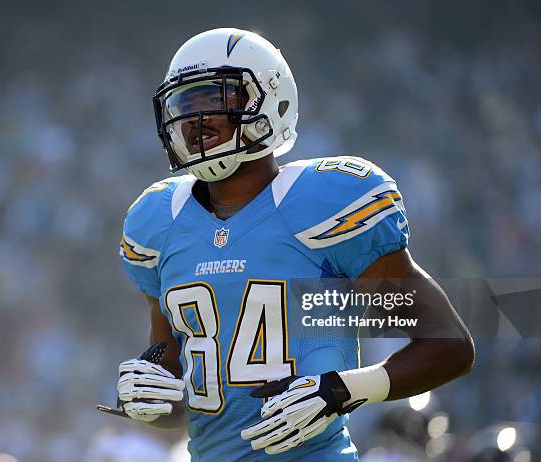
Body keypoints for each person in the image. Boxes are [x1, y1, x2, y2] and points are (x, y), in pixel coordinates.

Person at [109, 28, 474, 461]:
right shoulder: (157, 222)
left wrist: (344, 389)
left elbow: (449, 344)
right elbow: (193, 399)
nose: (195, 120)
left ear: (270, 101)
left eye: (215, 100)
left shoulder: (325, 203)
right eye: (185, 105)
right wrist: (148, 397)